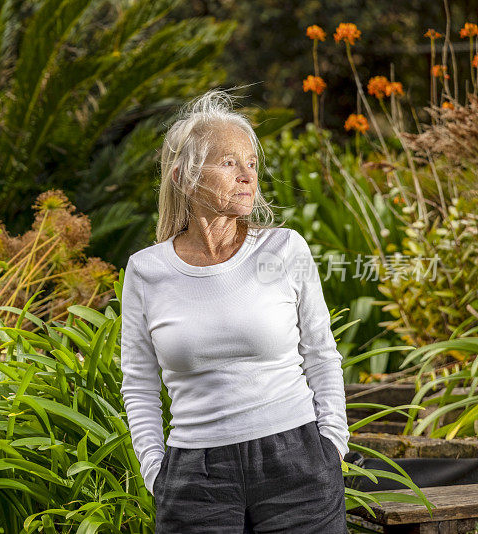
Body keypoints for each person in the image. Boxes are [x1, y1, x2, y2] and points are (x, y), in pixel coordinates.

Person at [120, 86, 350, 533]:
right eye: (229, 163)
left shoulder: (285, 249)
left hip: (298, 464)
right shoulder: (146, 270)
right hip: (195, 478)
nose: (248, 175)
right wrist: (155, 471)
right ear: (185, 177)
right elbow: (139, 384)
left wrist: (332, 445)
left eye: (251, 164)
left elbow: (322, 354)